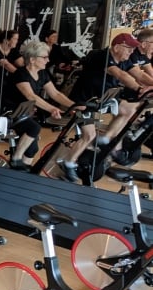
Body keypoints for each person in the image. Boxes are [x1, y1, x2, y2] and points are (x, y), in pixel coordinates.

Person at [59, 33, 145, 182]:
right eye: (128, 48)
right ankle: (68, 163)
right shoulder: (101, 56)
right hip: (84, 102)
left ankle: (105, 139)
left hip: (103, 100)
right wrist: (139, 89)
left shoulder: (124, 59)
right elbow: (119, 74)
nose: (131, 52)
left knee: (130, 109)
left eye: (132, 49)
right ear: (117, 47)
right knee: (89, 135)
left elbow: (139, 74)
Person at [0, 41, 76, 170]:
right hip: (10, 112)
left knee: (32, 149)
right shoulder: (21, 74)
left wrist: (75, 105)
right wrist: (51, 108)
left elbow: (55, 94)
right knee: (34, 128)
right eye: (44, 57)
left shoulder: (42, 74)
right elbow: (31, 96)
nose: (48, 60)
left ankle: (22, 173)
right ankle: (16, 159)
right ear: (33, 59)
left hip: (25, 113)